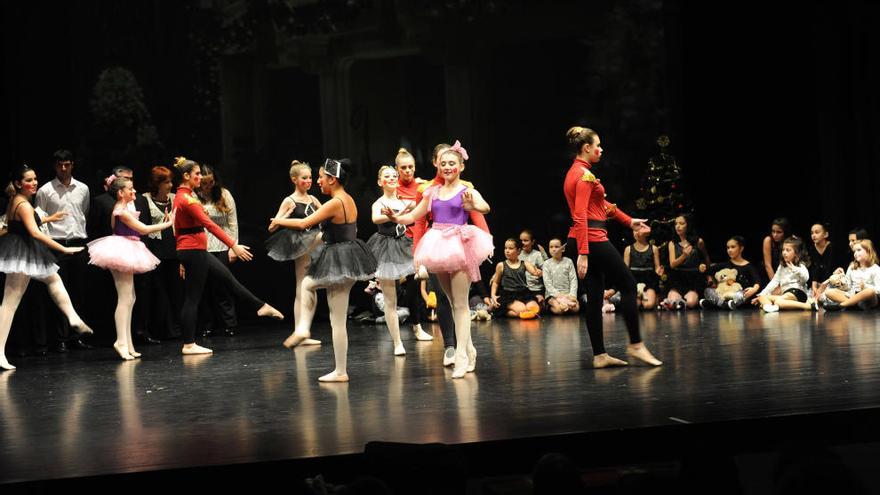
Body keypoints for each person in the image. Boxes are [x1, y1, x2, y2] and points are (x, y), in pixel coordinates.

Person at [384, 142, 493, 378]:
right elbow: (414, 215)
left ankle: (462, 357)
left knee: (462, 304)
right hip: (438, 244)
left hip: (460, 244)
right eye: (443, 163)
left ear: (461, 166)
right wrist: (396, 217)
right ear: (438, 166)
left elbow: (485, 208)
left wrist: (473, 204)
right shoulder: (432, 191)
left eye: (452, 163)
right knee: (453, 303)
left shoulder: (466, 189)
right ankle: (470, 349)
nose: (447, 167)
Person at [563, 126, 661, 368]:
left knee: (595, 296)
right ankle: (636, 344)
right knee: (628, 284)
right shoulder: (584, 176)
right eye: (597, 145)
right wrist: (584, 253)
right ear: (586, 148)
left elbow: (602, 204)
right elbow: (581, 216)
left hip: (585, 237)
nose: (601, 149)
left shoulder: (578, 172)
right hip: (592, 238)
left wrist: (629, 222)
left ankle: (599, 355)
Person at [273, 158, 378, 382]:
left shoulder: (335, 202)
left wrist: (279, 220)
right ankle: (340, 370)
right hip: (347, 257)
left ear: (332, 179)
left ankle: (303, 329)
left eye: (321, 177)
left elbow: (304, 224)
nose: (318, 181)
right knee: (335, 317)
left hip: (340, 259)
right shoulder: (346, 199)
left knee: (308, 285)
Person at [173, 157, 284, 355]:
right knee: (193, 298)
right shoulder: (188, 200)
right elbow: (210, 225)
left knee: (227, 280)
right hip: (194, 250)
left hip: (194, 250)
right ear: (186, 176)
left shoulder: (181, 197)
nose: (200, 177)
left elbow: (178, 228)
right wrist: (233, 245)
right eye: (197, 174)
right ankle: (188, 344)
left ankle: (260, 306)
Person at [0, 165, 94, 370]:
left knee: (53, 279)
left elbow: (23, 223)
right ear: (18, 183)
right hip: (21, 253)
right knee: (9, 303)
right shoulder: (22, 203)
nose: (34, 183)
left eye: (35, 179)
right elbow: (34, 232)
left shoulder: (19, 201)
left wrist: (49, 218)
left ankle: (73, 318)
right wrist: (64, 249)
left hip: (24, 250)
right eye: (28, 180)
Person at [86, 176, 173, 359]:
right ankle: (120, 341)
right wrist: (169, 223)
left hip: (127, 247)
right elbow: (143, 230)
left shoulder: (123, 208)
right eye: (130, 189)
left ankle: (128, 343)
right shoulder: (121, 211)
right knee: (125, 298)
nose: (134, 192)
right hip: (122, 250)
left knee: (130, 297)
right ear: (120, 193)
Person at [35, 150, 92, 352]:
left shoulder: (83, 188)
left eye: (67, 164)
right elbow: (39, 220)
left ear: (72, 165)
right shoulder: (45, 190)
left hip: (78, 242)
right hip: (56, 243)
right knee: (59, 291)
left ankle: (75, 337)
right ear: (55, 166)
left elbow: (83, 212)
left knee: (78, 290)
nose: (64, 168)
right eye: (60, 164)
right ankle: (60, 338)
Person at [265, 160, 323, 346]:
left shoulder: (313, 199)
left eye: (310, 178)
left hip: (313, 242)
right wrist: (286, 215)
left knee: (307, 285)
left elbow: (326, 216)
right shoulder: (289, 200)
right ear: (294, 180)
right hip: (301, 243)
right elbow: (272, 226)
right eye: (304, 178)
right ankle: (300, 329)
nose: (309, 181)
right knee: (302, 285)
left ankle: (302, 330)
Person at [368, 166, 418, 355]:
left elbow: (416, 210)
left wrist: (406, 208)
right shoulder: (379, 202)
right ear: (380, 182)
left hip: (404, 246)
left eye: (394, 176)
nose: (391, 178)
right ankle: (397, 342)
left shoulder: (405, 201)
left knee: (420, 276)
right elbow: (375, 219)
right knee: (391, 300)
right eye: (386, 176)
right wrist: (389, 215)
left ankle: (418, 326)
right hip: (386, 249)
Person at [196, 165, 240, 337]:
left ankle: (230, 323)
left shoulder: (224, 194)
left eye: (211, 182)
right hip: (201, 245)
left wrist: (234, 247)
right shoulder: (193, 196)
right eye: (204, 183)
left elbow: (233, 223)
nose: (208, 186)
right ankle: (207, 324)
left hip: (222, 244)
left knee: (222, 284)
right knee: (204, 286)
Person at [143, 166, 183, 339]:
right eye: (166, 182)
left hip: (174, 249)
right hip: (155, 249)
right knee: (159, 292)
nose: (170, 185)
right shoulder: (145, 199)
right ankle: (161, 330)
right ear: (157, 183)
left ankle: (177, 329)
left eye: (170, 181)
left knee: (176, 290)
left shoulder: (175, 199)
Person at [752, 236, 816, 312]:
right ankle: (770, 307)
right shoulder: (782, 266)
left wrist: (795, 270)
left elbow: (806, 277)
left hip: (797, 293)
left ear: (796, 253)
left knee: (779, 302)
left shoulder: (799, 265)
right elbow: (774, 281)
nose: (784, 252)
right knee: (762, 297)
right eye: (783, 250)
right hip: (786, 294)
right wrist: (762, 294)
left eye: (788, 250)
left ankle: (809, 306)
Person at [699, 236, 762, 309]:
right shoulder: (725, 265)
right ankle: (724, 305)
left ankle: (713, 304)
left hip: (738, 295)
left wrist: (754, 289)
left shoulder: (748, 266)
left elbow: (757, 281)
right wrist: (702, 268)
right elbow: (707, 270)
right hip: (723, 295)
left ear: (741, 248)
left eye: (733, 247)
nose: (729, 250)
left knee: (742, 294)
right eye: (728, 248)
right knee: (708, 290)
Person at [665, 215, 711, 309]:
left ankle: (685, 302)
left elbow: (705, 257)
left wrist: (706, 269)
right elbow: (672, 264)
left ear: (688, 225)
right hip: (678, 278)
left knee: (690, 302)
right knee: (674, 301)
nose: (678, 226)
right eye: (676, 224)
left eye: (681, 223)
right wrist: (684, 255)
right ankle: (674, 302)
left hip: (693, 279)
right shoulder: (672, 243)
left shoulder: (698, 241)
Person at [821, 239, 880, 311]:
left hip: (867, 300)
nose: (855, 253)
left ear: (869, 251)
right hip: (852, 295)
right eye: (854, 251)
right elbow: (848, 287)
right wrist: (841, 281)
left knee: (870, 291)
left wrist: (866, 286)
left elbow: (878, 289)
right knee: (829, 292)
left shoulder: (875, 269)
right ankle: (854, 305)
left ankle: (841, 305)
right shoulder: (852, 267)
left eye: (859, 250)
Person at [490, 238, 542, 318]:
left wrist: (537, 272)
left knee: (535, 308)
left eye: (510, 248)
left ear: (518, 251)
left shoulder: (524, 263)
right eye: (506, 248)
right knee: (522, 310)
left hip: (523, 293)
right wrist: (493, 295)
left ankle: (511, 312)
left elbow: (534, 272)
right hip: (509, 295)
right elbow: (496, 282)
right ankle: (503, 311)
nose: (507, 251)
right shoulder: (501, 265)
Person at [623, 229, 663, 310]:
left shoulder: (653, 248)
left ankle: (648, 298)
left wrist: (659, 271)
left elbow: (657, 267)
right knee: (634, 305)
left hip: (649, 283)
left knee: (648, 305)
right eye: (634, 231)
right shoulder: (628, 249)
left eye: (639, 230)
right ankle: (638, 299)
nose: (636, 233)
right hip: (634, 283)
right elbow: (625, 270)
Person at [542, 238, 580, 315]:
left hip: (567, 293)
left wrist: (572, 295)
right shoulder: (546, 264)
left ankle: (566, 304)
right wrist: (558, 295)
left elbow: (573, 279)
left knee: (576, 309)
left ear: (563, 249)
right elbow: (547, 283)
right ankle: (561, 305)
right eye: (551, 247)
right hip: (552, 295)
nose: (553, 249)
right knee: (559, 310)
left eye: (556, 247)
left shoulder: (568, 261)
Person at [807, 222, 835, 302]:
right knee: (811, 298)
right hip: (817, 282)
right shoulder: (812, 248)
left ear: (825, 234)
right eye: (812, 233)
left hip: (830, 282)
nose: (813, 235)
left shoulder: (831, 247)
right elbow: (814, 268)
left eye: (817, 232)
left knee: (822, 298)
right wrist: (814, 287)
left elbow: (829, 269)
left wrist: (821, 289)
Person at [518, 230, 547, 307]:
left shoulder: (537, 255)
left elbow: (547, 271)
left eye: (525, 240)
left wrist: (540, 273)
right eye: (521, 240)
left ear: (532, 242)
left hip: (535, 289)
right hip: (522, 290)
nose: (522, 243)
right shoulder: (517, 254)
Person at [762, 217, 790, 285]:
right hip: (770, 275)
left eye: (779, 232)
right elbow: (768, 265)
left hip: (786, 275)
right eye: (773, 231)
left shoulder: (790, 241)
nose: (775, 235)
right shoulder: (768, 240)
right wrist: (775, 285)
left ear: (785, 232)